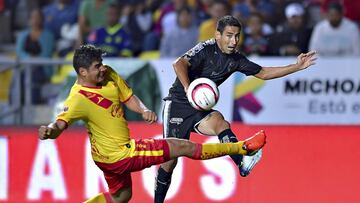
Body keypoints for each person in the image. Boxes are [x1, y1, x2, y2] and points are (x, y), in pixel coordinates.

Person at [37, 44, 266, 203]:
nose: (103, 68)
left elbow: (128, 97)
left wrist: (143, 109)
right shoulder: (77, 98)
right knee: (183, 147)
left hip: (105, 158)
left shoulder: (109, 74)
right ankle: (242, 148)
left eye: (102, 63)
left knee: (122, 197)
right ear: (82, 72)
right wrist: (49, 132)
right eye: (97, 66)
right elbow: (60, 124)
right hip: (122, 154)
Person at [154, 15, 316, 203]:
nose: (234, 41)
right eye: (229, 36)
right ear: (217, 35)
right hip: (178, 105)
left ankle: (242, 162)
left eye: (237, 36)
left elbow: (263, 73)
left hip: (200, 109)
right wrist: (188, 88)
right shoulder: (206, 49)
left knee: (221, 123)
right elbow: (178, 64)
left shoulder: (236, 59)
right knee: (170, 161)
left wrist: (296, 66)